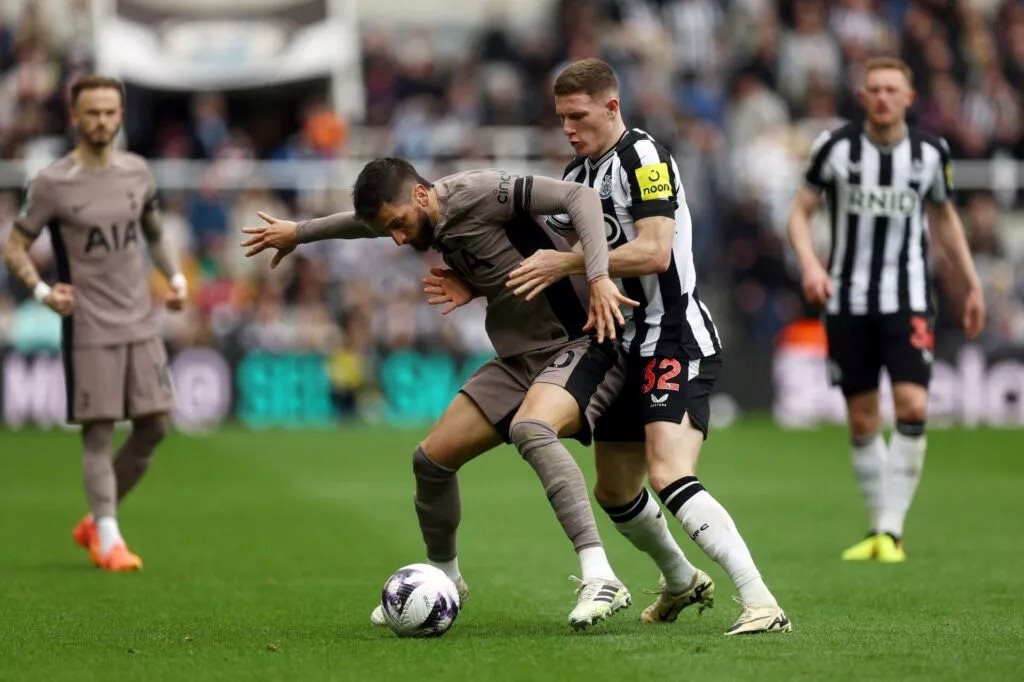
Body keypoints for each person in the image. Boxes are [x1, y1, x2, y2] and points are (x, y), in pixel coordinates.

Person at [240, 158, 639, 630]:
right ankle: (446, 580)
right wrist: (299, 233)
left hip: (580, 341)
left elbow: (581, 198)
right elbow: (361, 224)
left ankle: (600, 574)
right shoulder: (419, 214)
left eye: (399, 225)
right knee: (430, 460)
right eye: (389, 230)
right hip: (519, 357)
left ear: (423, 195)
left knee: (532, 429)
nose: (398, 239)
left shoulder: (480, 191)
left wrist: (597, 278)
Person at [497, 58, 790, 634]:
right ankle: (681, 580)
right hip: (617, 346)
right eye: (561, 118)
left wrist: (571, 261)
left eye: (578, 116)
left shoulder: (644, 158)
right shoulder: (577, 175)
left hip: (674, 336)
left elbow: (655, 251)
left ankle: (762, 602)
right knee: (613, 488)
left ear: (611, 106)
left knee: (668, 473)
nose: (568, 128)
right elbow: (549, 247)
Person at [786, 56, 985, 563]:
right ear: (863, 96)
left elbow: (944, 220)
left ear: (908, 98)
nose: (881, 97)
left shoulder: (929, 153)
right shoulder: (834, 148)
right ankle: (879, 529)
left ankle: (891, 532)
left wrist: (971, 283)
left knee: (914, 406)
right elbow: (799, 214)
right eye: (873, 88)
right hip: (847, 301)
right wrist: (811, 265)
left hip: (910, 298)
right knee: (862, 419)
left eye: (891, 89)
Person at [1, 75, 187, 571]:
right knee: (99, 433)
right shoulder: (52, 183)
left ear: (120, 116)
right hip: (89, 325)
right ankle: (109, 536)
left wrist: (174, 277)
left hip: (140, 323)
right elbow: (14, 244)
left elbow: (153, 231)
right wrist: (41, 291)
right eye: (92, 113)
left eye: (109, 112)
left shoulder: (138, 173)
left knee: (154, 428)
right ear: (75, 117)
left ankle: (96, 521)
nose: (101, 120)